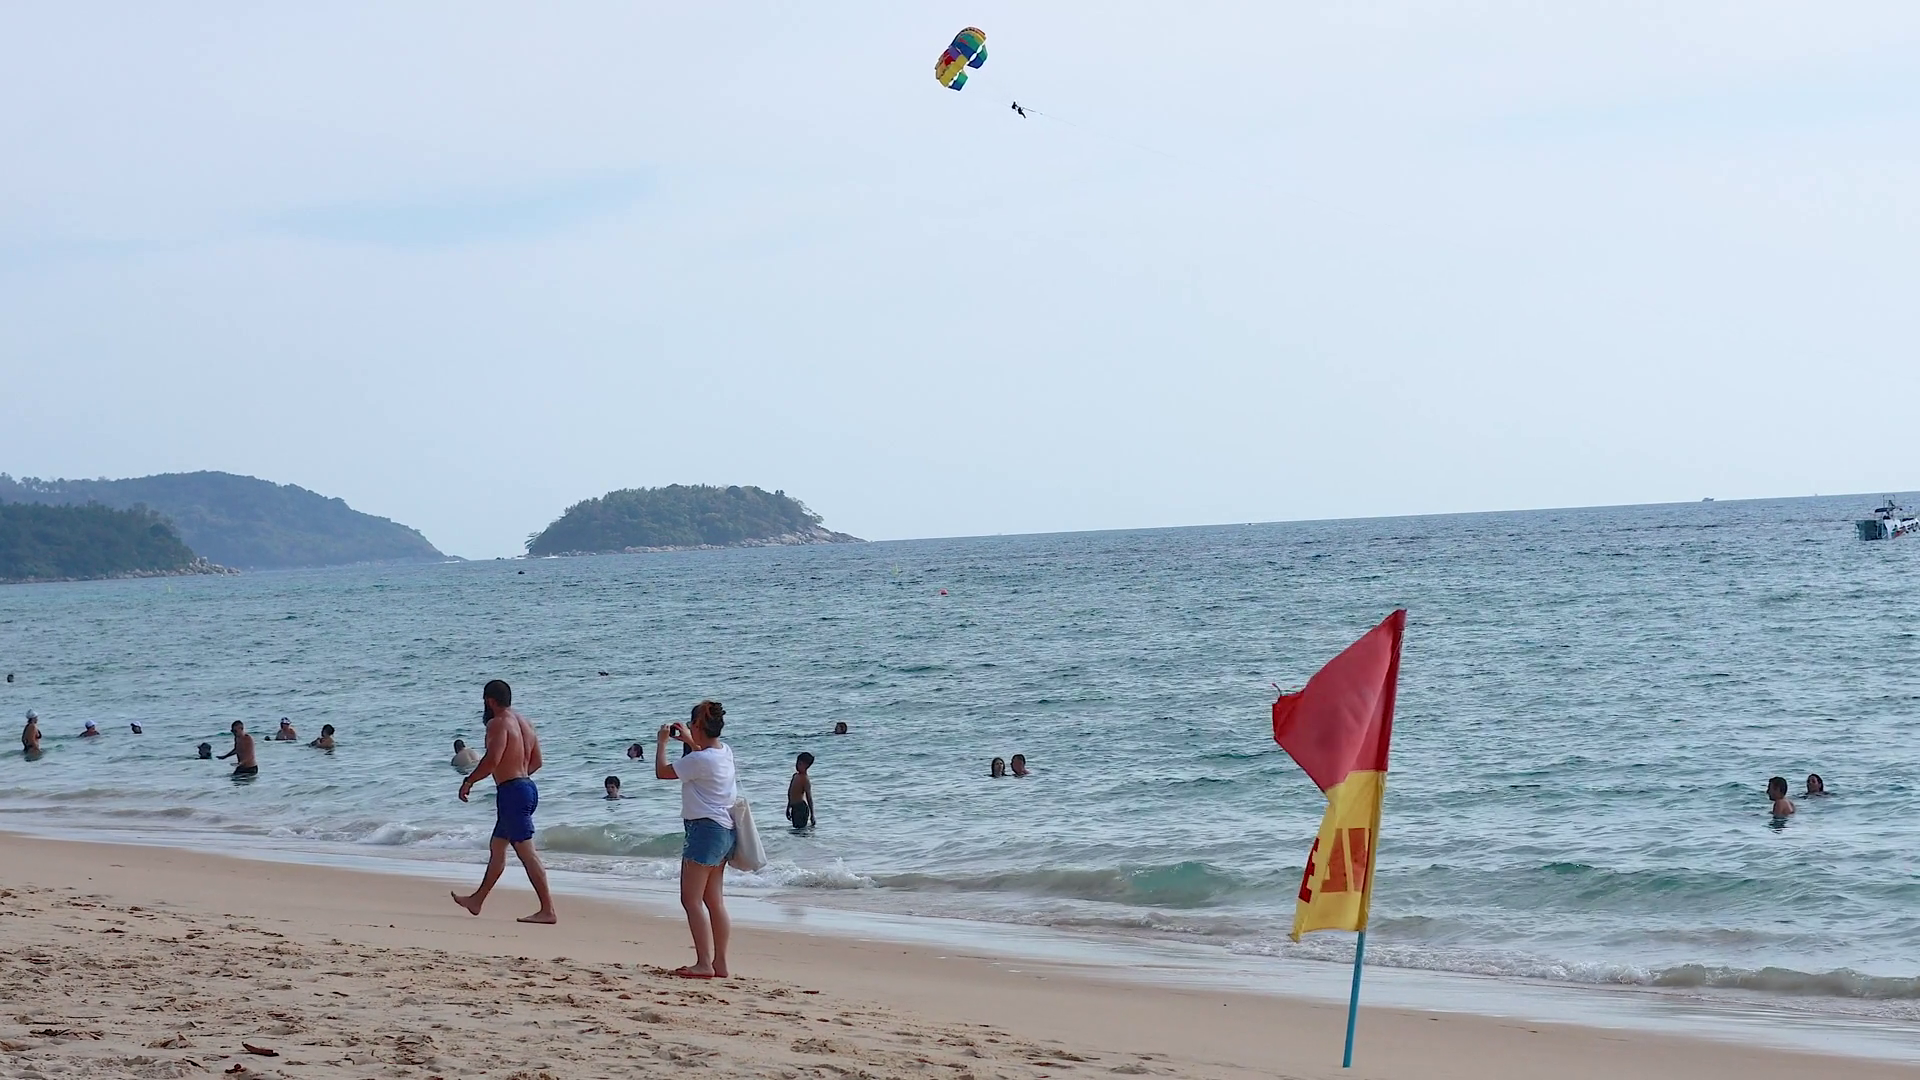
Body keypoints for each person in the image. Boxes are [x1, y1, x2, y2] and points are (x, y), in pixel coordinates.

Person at [451, 680, 557, 925]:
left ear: (489, 701)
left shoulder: (497, 723)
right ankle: (477, 900)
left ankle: (548, 910)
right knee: (498, 846)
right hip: (526, 787)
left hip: (513, 793)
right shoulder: (525, 723)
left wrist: (469, 781)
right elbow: (537, 761)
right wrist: (519, 777)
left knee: (527, 853)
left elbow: (492, 760)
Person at [654, 700, 736, 978]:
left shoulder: (698, 760)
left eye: (692, 724)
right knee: (715, 901)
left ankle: (703, 963)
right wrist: (690, 740)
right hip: (725, 830)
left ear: (698, 725)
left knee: (691, 900)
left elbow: (663, 772)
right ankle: (720, 962)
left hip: (704, 831)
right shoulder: (724, 752)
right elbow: (703, 759)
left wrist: (662, 743)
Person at [787, 752, 815, 829]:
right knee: (795, 830)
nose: (797, 765)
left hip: (801, 808)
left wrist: (812, 815)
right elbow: (790, 793)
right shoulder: (795, 776)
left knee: (800, 830)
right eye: (797, 763)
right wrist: (788, 808)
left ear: (807, 766)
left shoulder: (805, 779)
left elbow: (809, 798)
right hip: (794, 808)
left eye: (800, 764)